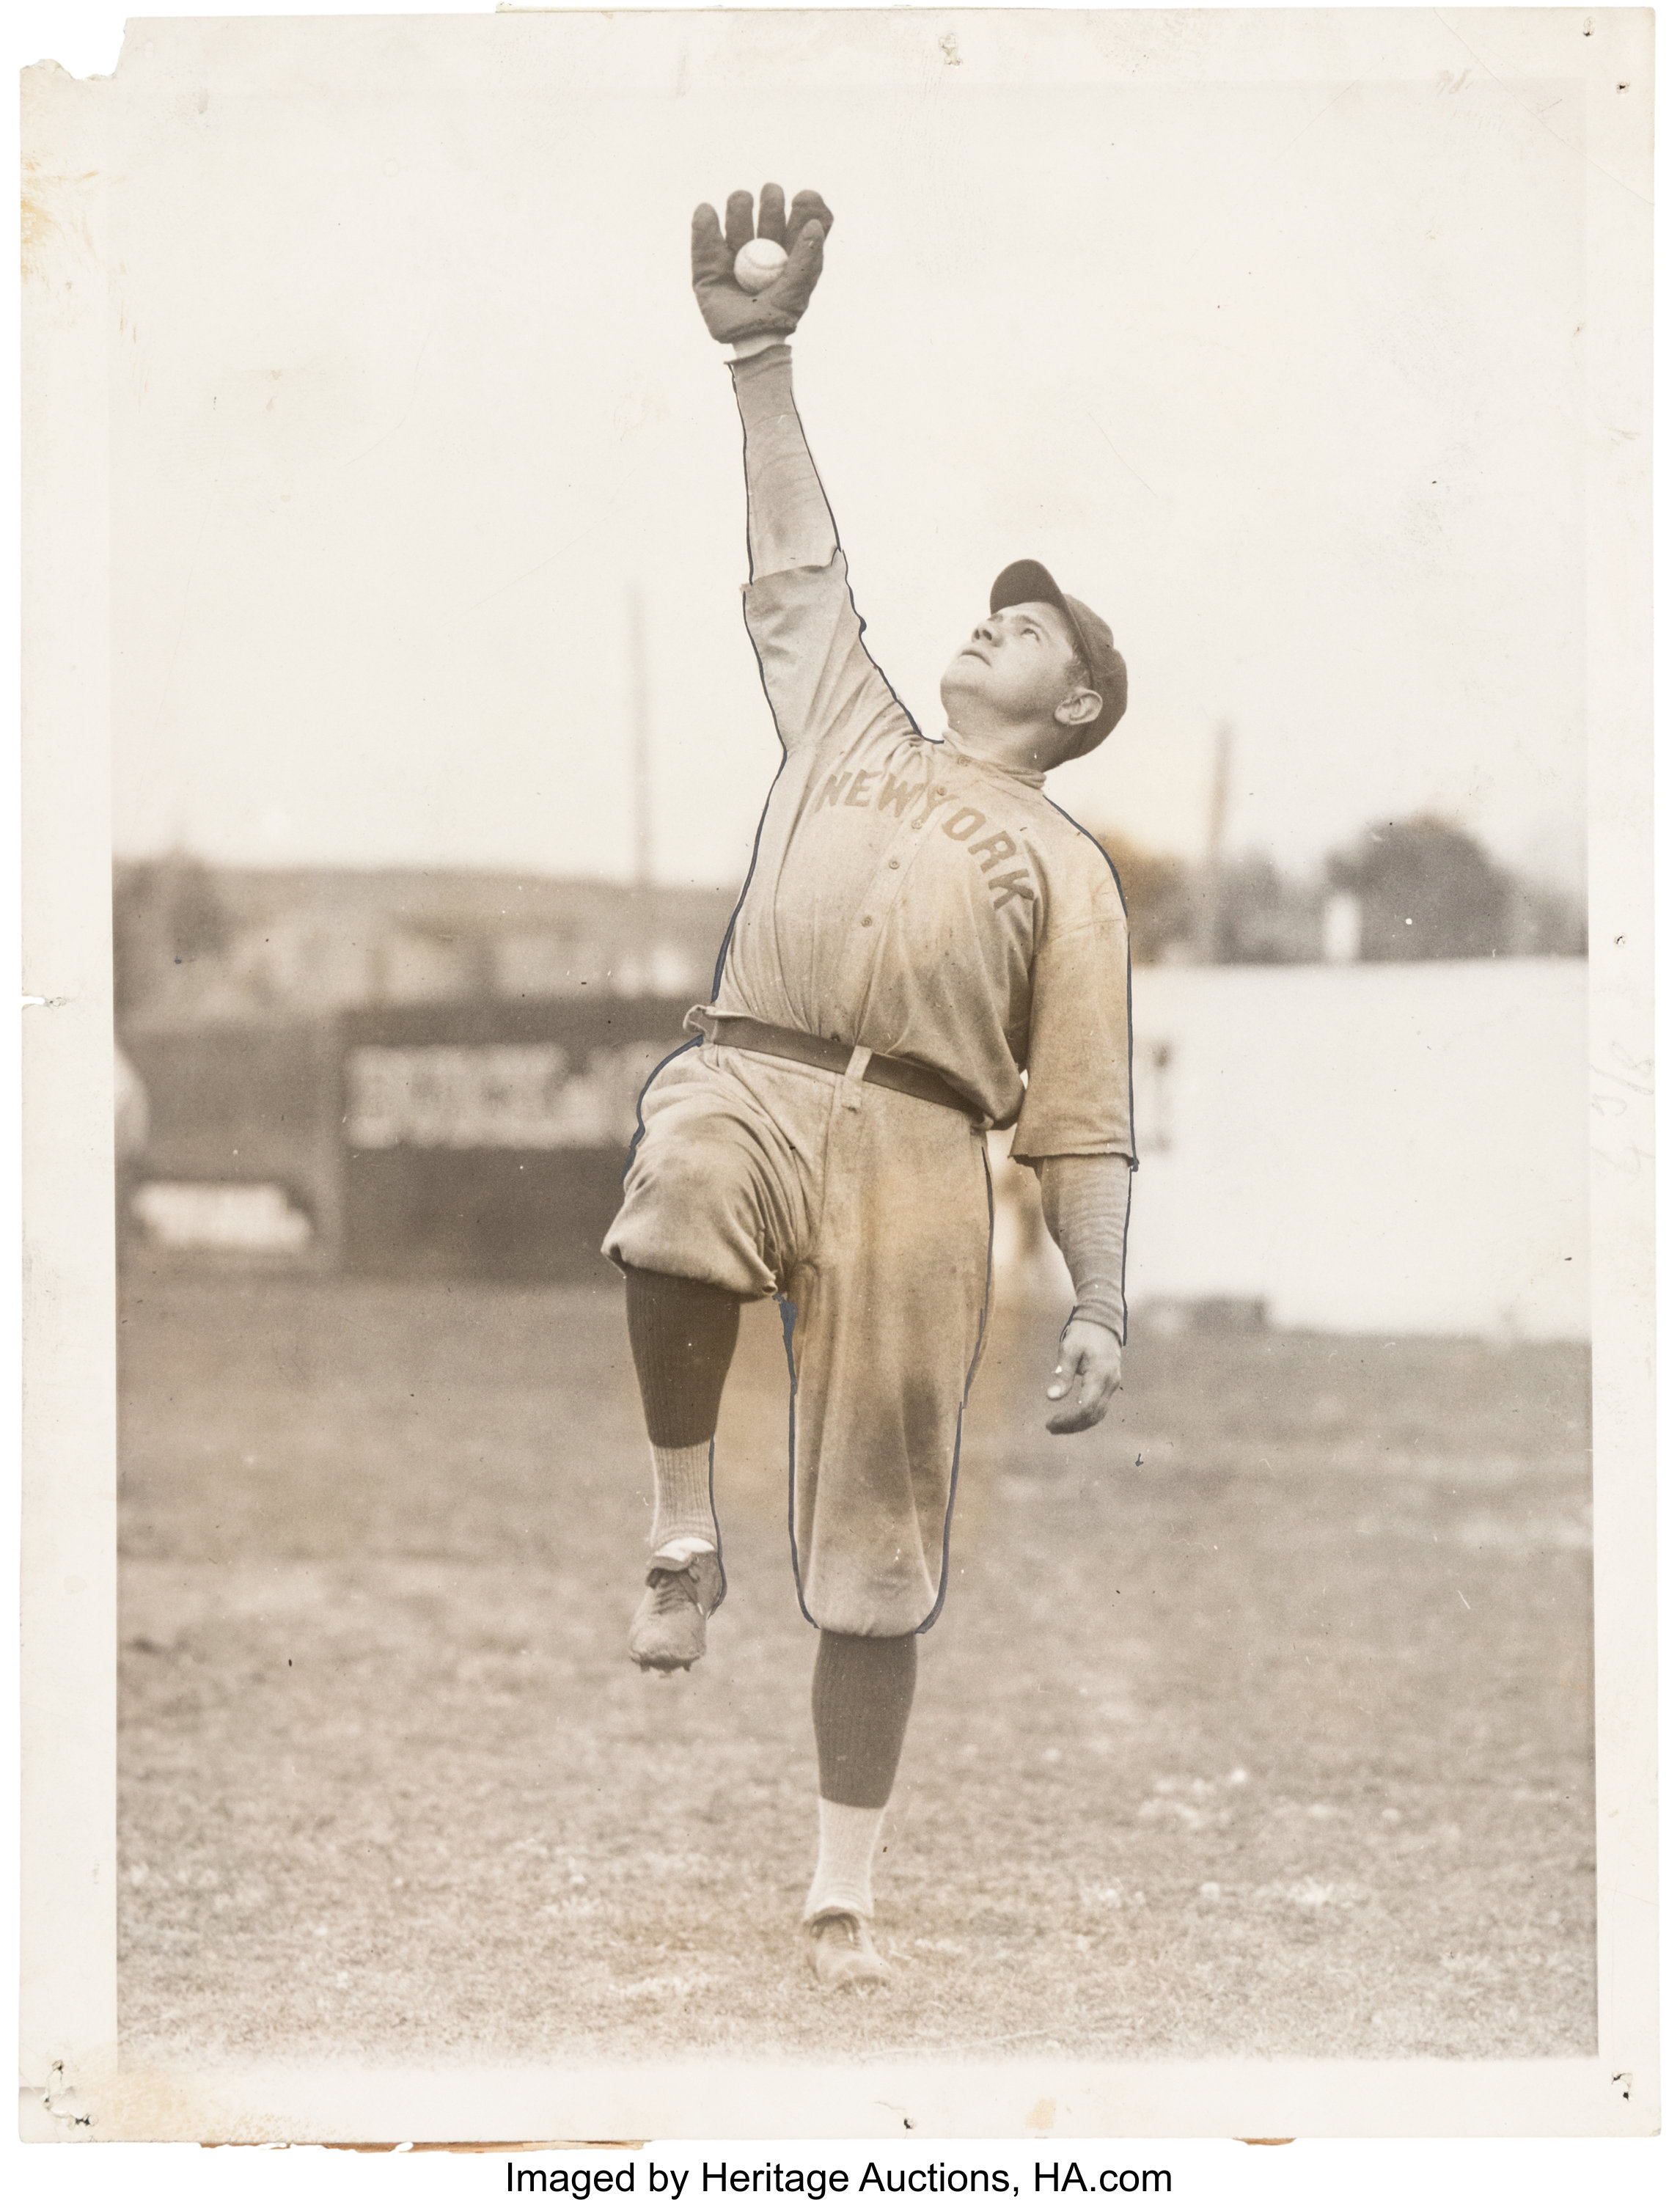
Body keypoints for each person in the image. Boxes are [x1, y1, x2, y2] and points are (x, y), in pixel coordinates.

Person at [603, 184, 1136, 1993]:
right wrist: (759, 358)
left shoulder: (1065, 868)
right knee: (675, 1177)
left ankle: (842, 1889)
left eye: (1037, 633)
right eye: (998, 617)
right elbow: (793, 571)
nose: (1000, 631)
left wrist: (1103, 1301)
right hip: (755, 1065)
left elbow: (1078, 1106)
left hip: (924, 1149)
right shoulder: (856, 724)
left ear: (1077, 711)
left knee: (879, 1541)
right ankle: (681, 1527)